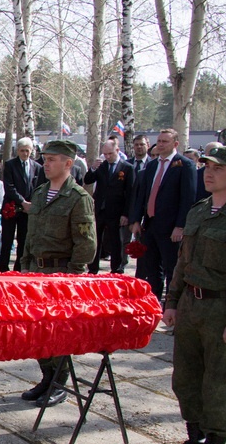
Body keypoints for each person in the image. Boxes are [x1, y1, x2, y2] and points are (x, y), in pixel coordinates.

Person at [159, 145, 226, 444]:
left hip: (223, 308)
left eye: (218, 168)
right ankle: (195, 439)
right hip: (191, 304)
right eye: (206, 166)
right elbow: (183, 263)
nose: (208, 172)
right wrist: (172, 301)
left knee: (219, 381)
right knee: (186, 377)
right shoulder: (199, 211)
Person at [20, 140, 97, 407]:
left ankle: (59, 382)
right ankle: (46, 376)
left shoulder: (78, 198)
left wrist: (73, 278)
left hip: (61, 274)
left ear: (68, 164)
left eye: (52, 159)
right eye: (45, 158)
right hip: (37, 273)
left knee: (58, 331)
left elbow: (86, 243)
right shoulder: (40, 193)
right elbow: (30, 235)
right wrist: (25, 268)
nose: (46, 164)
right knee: (39, 330)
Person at [129, 129, 197, 302]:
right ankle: (154, 303)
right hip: (150, 225)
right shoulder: (151, 165)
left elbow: (188, 199)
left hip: (171, 227)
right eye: (158, 141)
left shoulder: (185, 165)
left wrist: (180, 226)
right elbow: (141, 195)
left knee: (171, 268)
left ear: (175, 144)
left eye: (164, 141)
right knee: (152, 268)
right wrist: (136, 219)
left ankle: (172, 305)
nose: (160, 144)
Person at [83, 139, 134, 274]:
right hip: (100, 210)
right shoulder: (102, 166)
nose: (107, 157)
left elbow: (130, 193)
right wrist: (93, 168)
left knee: (116, 241)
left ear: (117, 151)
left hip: (116, 211)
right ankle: (93, 268)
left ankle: (116, 268)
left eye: (110, 154)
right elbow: (88, 180)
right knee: (96, 240)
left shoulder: (127, 168)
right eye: (105, 154)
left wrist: (126, 214)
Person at [1, 137, 41, 272]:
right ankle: (3, 268)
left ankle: (19, 268)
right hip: (11, 207)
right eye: (22, 151)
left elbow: (38, 187)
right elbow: (9, 186)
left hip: (27, 210)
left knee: (23, 241)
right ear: (17, 151)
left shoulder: (37, 167)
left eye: (28, 151)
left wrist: (31, 204)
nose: (25, 153)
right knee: (7, 239)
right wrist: (22, 202)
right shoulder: (10, 165)